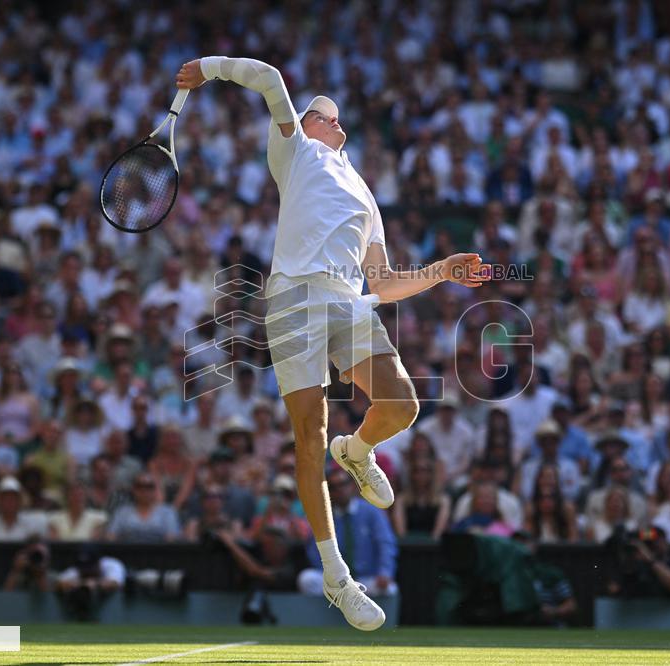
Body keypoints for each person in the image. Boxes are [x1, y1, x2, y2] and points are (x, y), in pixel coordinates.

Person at [177, 56, 488, 631]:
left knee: (402, 405)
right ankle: (336, 577)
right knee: (307, 438)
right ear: (307, 122)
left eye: (332, 114)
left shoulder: (365, 194)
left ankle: (359, 450)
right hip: (294, 296)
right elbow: (269, 79)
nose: (332, 118)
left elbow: (387, 283)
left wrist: (444, 269)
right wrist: (211, 68)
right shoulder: (293, 153)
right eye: (323, 113)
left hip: (348, 299)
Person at [297, 468, 397, 600]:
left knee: (390, 589)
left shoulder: (371, 512)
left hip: (366, 580)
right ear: (329, 492)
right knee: (306, 579)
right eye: (334, 487)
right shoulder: (322, 517)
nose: (340, 490)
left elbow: (386, 544)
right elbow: (315, 554)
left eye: (343, 484)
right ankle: (350, 602)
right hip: (337, 582)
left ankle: (348, 602)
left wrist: (384, 572)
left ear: (352, 486)